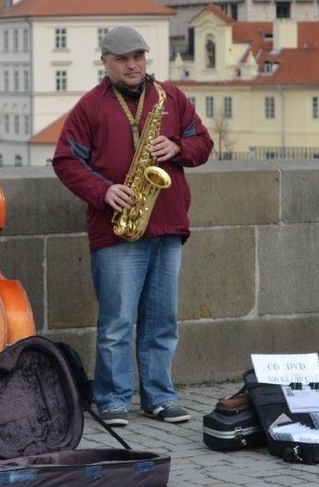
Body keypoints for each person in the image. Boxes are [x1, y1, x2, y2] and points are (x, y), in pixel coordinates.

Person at [52, 25, 213, 428]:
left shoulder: (170, 97)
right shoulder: (90, 106)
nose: (132, 65)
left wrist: (177, 147)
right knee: (117, 322)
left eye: (138, 57)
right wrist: (104, 192)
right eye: (123, 59)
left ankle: (160, 397)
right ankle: (112, 399)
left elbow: (204, 143)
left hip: (168, 225)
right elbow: (66, 161)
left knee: (162, 320)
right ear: (105, 62)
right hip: (119, 228)